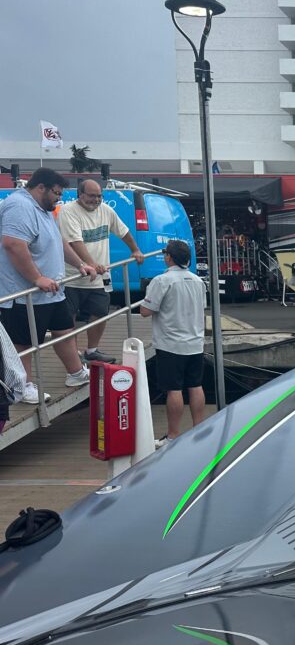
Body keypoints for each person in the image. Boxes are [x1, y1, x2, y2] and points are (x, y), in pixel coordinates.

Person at [0, 168, 96, 404]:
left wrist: (80, 264)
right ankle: (22, 386)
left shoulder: (43, 209)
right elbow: (13, 244)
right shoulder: (19, 206)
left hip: (52, 291)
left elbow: (57, 241)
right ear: (40, 187)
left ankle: (76, 373)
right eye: (56, 193)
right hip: (24, 293)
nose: (59, 198)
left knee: (64, 330)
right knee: (23, 342)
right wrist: (37, 278)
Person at [59, 179, 144, 364]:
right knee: (68, 318)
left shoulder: (106, 210)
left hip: (99, 276)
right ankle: (73, 355)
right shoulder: (68, 211)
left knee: (100, 312)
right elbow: (75, 242)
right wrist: (91, 264)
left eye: (99, 196)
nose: (96, 200)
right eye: (92, 196)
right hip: (72, 276)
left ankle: (92, 350)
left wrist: (135, 249)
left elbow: (123, 231)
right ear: (80, 195)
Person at [140, 240, 206, 442]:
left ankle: (173, 435)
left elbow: (145, 311)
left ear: (168, 257)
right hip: (195, 342)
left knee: (174, 389)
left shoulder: (162, 280)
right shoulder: (198, 281)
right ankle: (200, 430)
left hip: (170, 344)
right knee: (196, 386)